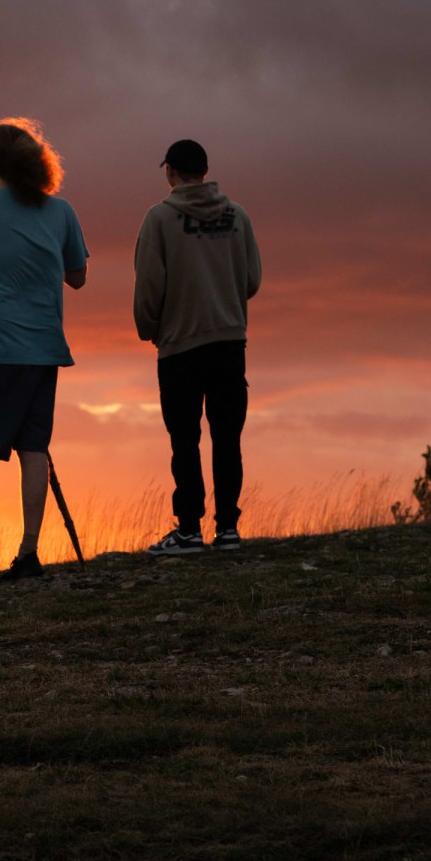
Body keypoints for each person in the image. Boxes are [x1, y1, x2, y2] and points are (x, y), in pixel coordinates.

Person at [0, 118, 88, 586]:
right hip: (42, 346)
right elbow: (77, 276)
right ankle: (28, 555)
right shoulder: (60, 211)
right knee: (33, 449)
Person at [132, 138, 261, 554]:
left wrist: (150, 328)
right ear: (205, 171)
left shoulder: (159, 219)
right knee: (227, 437)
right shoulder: (237, 216)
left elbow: (150, 285)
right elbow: (252, 279)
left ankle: (188, 529)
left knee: (184, 440)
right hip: (228, 341)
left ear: (170, 171)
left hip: (179, 346)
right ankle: (227, 529)